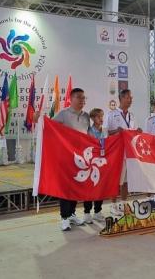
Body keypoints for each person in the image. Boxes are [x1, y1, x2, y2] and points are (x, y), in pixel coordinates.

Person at [53, 88, 89, 231]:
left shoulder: (86, 116)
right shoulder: (63, 114)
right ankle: (64, 218)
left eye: (83, 98)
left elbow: (89, 136)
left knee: (76, 187)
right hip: (66, 158)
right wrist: (39, 120)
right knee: (65, 189)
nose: (82, 100)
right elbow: (50, 129)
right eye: (79, 97)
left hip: (81, 159)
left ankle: (72, 214)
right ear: (71, 98)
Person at [103, 89, 142, 216]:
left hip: (129, 152)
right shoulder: (111, 114)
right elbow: (105, 133)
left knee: (126, 180)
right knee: (116, 179)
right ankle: (113, 205)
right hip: (116, 152)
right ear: (121, 98)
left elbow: (134, 133)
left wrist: (138, 131)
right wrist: (116, 131)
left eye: (131, 98)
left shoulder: (132, 116)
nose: (130, 100)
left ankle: (124, 203)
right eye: (128, 98)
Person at [83, 108, 107, 224]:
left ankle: (97, 212)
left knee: (100, 188)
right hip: (91, 163)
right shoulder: (89, 131)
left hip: (101, 162)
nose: (101, 119)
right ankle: (87, 213)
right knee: (89, 188)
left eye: (102, 116)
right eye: (98, 117)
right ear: (92, 119)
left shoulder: (105, 131)